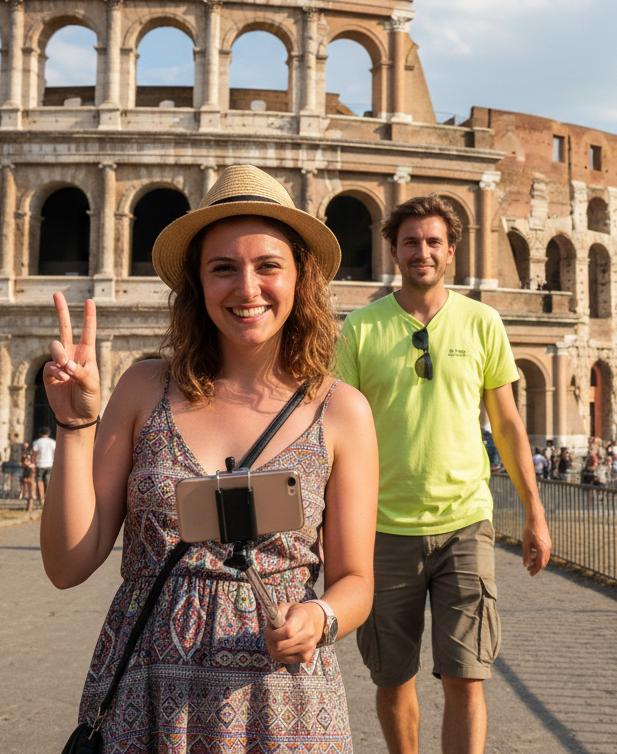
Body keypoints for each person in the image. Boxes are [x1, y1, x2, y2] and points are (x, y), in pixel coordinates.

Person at [38, 164, 378, 753]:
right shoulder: (144, 389)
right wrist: (73, 425)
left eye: (268, 265)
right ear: (198, 282)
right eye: (223, 268)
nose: (247, 288)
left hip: (281, 703)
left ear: (300, 277)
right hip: (148, 692)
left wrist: (320, 618)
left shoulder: (341, 410)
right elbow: (67, 565)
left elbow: (357, 581)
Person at [336, 193, 551, 754]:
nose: (422, 252)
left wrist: (535, 513)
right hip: (382, 529)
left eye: (434, 242)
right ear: (393, 251)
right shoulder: (360, 328)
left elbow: (508, 424)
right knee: (392, 678)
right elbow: (336, 433)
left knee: (467, 675)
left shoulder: (482, 322)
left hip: (466, 523)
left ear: (452, 250)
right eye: (410, 242)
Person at [32, 426, 56, 504]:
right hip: (50, 464)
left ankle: (42, 498)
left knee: (39, 481)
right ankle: (48, 497)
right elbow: (56, 453)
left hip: (40, 464)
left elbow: (34, 454)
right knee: (48, 481)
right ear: (48, 433)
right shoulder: (53, 442)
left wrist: (33, 463)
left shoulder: (37, 442)